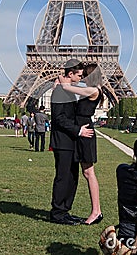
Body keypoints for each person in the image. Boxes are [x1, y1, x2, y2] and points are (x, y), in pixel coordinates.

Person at [50, 59, 94, 226]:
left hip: (70, 141)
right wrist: (79, 130)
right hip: (63, 142)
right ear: (70, 74)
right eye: (79, 75)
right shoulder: (60, 92)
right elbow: (59, 118)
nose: (81, 78)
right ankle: (58, 212)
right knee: (63, 177)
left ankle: (64, 210)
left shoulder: (65, 90)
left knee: (72, 177)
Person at [58, 62, 103, 225]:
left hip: (86, 133)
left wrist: (62, 80)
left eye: (84, 75)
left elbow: (69, 88)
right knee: (86, 173)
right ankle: (96, 210)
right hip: (82, 131)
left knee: (89, 173)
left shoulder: (93, 90)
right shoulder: (92, 89)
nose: (82, 78)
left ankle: (96, 211)